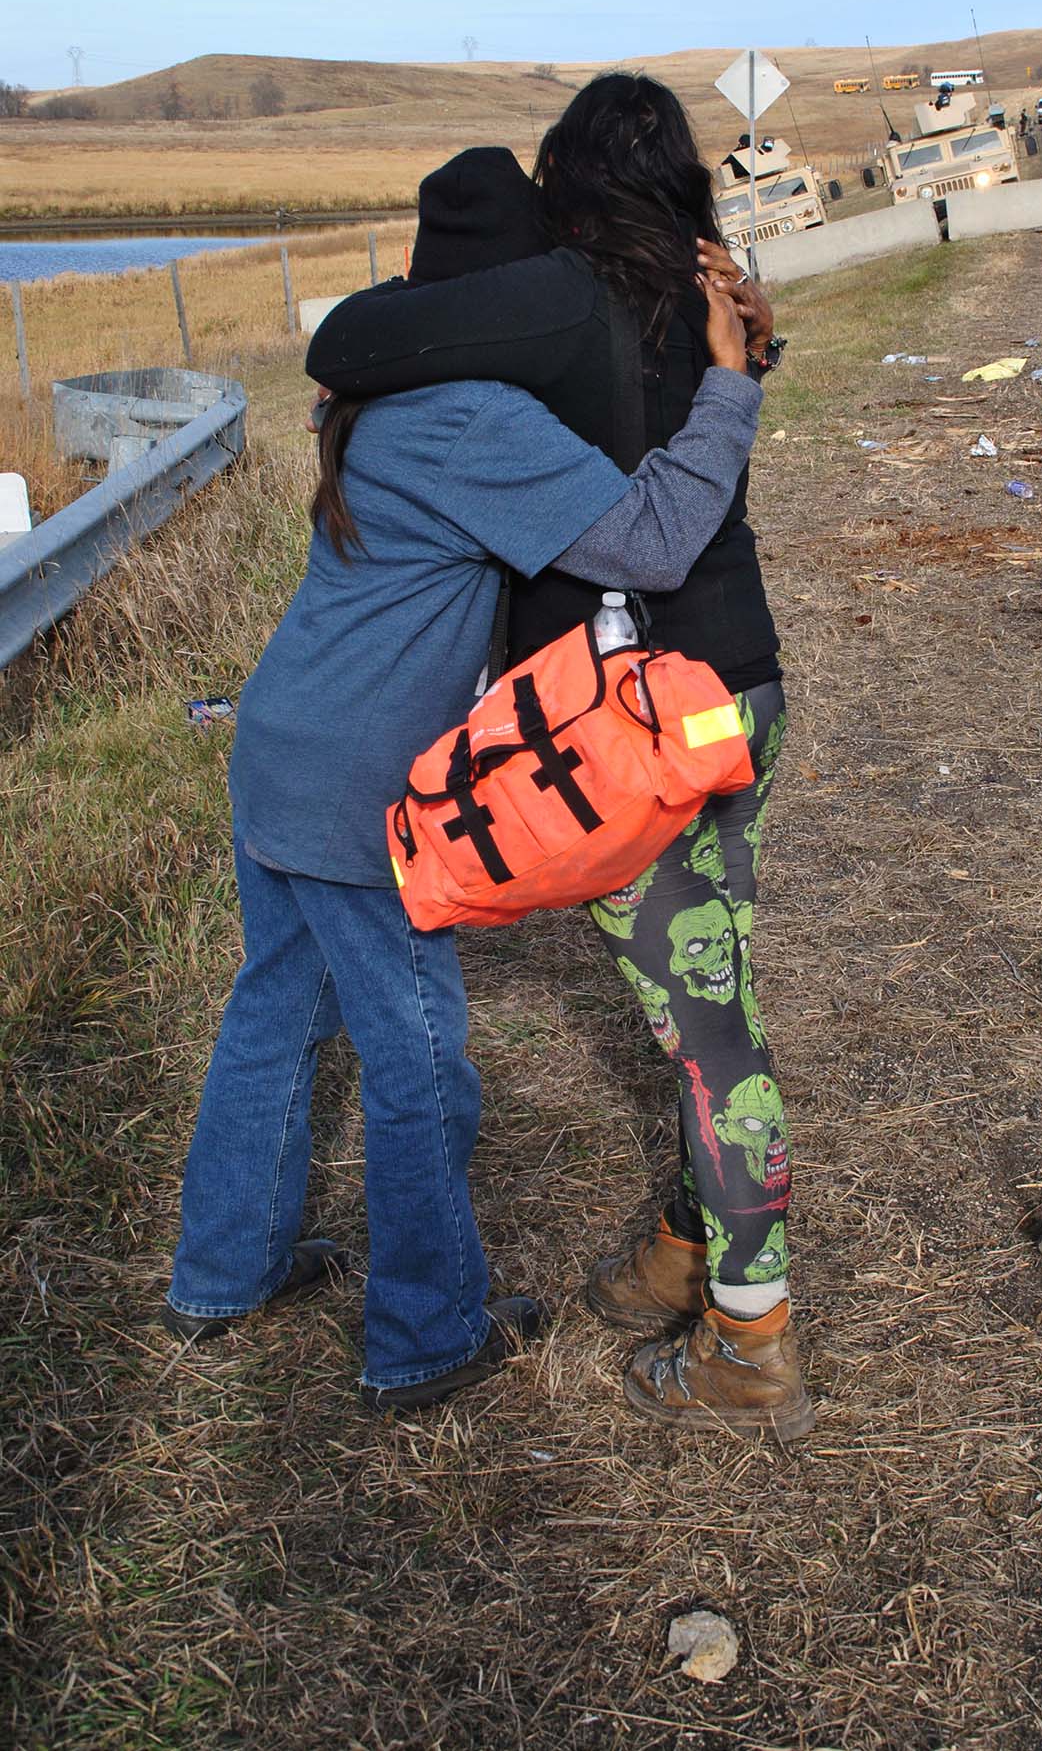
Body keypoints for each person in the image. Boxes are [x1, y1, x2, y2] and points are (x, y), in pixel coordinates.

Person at [163, 147, 763, 1417]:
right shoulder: (468, 420)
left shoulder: (377, 399)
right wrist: (728, 386)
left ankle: (224, 1272)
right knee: (421, 1059)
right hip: (352, 788)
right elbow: (652, 541)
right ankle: (426, 1334)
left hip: (276, 744)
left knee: (274, 1014)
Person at [308, 76, 812, 1441]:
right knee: (710, 981)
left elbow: (359, 337)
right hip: (739, 684)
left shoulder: (565, 292)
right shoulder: (713, 286)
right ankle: (690, 1237)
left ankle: (751, 1333)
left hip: (628, 715)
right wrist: (744, 363)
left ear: (564, 178)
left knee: (707, 1028)